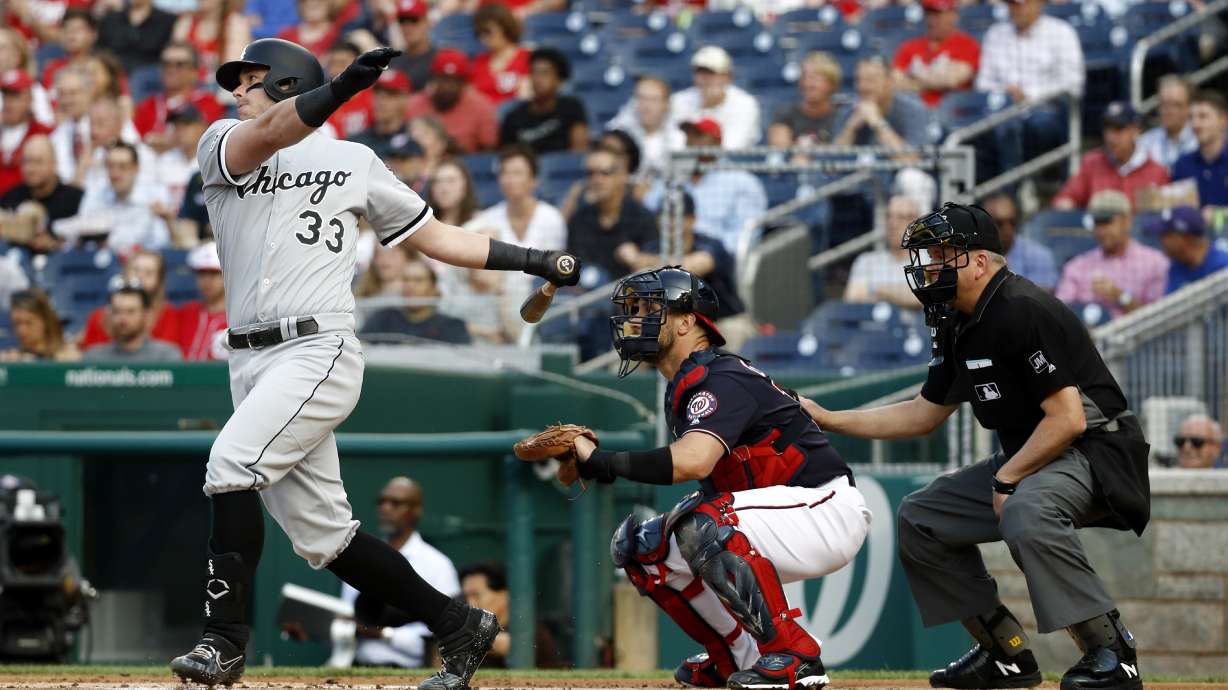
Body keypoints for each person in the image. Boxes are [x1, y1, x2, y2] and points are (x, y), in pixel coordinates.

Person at [168, 37, 579, 690]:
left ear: (284, 83)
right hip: (247, 359)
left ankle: (224, 642)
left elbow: (436, 237)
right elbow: (271, 132)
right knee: (323, 538)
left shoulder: (354, 160)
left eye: (249, 81)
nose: (235, 94)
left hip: (316, 347)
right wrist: (337, 91)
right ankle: (459, 625)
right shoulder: (222, 143)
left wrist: (529, 259)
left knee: (231, 465)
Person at [803, 202, 1150, 690]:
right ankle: (1005, 655)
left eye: (943, 255)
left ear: (980, 261)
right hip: (1035, 453)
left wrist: (1007, 478)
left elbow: (1068, 419)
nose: (930, 267)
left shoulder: (1022, 309)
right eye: (928, 256)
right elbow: (924, 414)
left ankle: (1112, 652)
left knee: (1024, 509)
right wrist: (829, 417)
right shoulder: (955, 318)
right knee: (922, 518)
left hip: (1097, 449)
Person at [557, 266, 870, 690]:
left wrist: (602, 462)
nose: (635, 320)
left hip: (823, 507)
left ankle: (797, 655)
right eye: (634, 310)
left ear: (687, 321)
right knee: (641, 549)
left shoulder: (720, 375)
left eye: (651, 309)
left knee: (703, 523)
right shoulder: (686, 383)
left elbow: (693, 462)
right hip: (773, 516)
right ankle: (740, 658)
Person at [340, 477, 461, 668]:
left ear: (416, 510)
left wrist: (383, 633)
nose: (385, 508)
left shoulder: (438, 565)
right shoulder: (360, 557)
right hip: (355, 667)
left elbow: (442, 635)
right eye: (382, 501)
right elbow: (348, 619)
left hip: (410, 670)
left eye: (395, 503)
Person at [625, 192, 750, 349]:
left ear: (692, 219)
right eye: (664, 216)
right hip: (674, 323)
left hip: (722, 320)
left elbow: (692, 267)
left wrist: (650, 262)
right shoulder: (653, 248)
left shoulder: (711, 244)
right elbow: (638, 269)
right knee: (632, 335)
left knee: (733, 331)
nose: (670, 222)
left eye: (676, 216)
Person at [975, 0, 1083, 171]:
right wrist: (1004, 94)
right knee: (995, 128)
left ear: (1038, 3)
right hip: (1003, 112)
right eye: (1012, 4)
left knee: (1021, 128)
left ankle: (1015, 189)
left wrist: (1029, 96)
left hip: (1046, 111)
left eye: (1021, 4)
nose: (1015, 9)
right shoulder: (995, 34)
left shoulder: (1061, 31)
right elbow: (982, 84)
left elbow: (1073, 85)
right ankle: (1014, 189)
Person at [644, 119, 767, 256]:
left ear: (716, 143)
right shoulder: (675, 176)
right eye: (689, 137)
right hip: (671, 251)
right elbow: (649, 207)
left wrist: (710, 255)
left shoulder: (741, 180)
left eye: (698, 136)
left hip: (716, 258)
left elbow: (745, 236)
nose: (691, 143)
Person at [1055, 190, 1168, 319]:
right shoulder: (1077, 266)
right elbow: (1059, 315)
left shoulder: (1155, 262)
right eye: (1097, 223)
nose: (1101, 230)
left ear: (1127, 221)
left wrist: (1120, 296)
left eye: (1107, 222)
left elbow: (1158, 319)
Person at [1053, 102, 1169, 210]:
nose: (1111, 137)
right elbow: (1065, 198)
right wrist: (1066, 204)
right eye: (1107, 129)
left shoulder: (1157, 172)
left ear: (1135, 131)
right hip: (1097, 231)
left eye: (1118, 129)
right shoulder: (1092, 163)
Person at [566, 142, 656, 278]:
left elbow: (656, 276)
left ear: (623, 175)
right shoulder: (579, 220)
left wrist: (638, 260)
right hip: (586, 296)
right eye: (590, 173)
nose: (596, 180)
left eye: (605, 173)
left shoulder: (643, 219)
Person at [69, 142, 172, 252]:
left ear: (136, 168)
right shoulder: (94, 196)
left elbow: (161, 242)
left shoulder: (155, 196)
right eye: (110, 166)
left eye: (123, 167)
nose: (115, 174)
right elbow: (79, 236)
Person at [458, 561, 560, 669]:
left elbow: (510, 644)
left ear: (505, 594)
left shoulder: (534, 632)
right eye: (466, 596)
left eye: (476, 595)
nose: (470, 603)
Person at [80, 248, 182, 350]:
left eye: (148, 273)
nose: (140, 276)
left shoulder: (167, 313)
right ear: (125, 272)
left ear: (159, 281)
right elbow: (91, 358)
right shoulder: (98, 317)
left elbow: (168, 357)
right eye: (135, 270)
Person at [0, 135, 83, 252]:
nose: (31, 169)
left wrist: (55, 245)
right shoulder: (11, 197)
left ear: (54, 164)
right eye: (26, 162)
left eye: (38, 162)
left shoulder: (75, 200)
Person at [361, 257, 472, 344]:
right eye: (406, 280)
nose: (410, 286)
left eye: (418, 280)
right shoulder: (383, 319)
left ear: (433, 288)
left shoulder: (452, 327)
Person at [406, 50, 498, 154]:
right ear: (434, 79)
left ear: (463, 83)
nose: (447, 86)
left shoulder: (481, 106)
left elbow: (489, 150)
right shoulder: (414, 105)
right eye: (443, 79)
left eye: (454, 81)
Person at [892, 0, 980, 108]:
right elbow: (895, 82)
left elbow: (951, 80)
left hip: (954, 110)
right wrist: (935, 79)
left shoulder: (967, 45)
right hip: (915, 110)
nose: (932, 20)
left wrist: (914, 74)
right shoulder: (909, 46)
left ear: (954, 15)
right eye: (928, 14)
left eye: (938, 14)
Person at [499, 48, 588, 154]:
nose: (538, 79)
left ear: (559, 80)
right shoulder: (513, 117)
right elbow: (508, 157)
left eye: (545, 73)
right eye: (534, 72)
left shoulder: (572, 108)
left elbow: (579, 152)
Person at [671, 46, 761, 150]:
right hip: (687, 164)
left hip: (733, 165)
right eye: (700, 72)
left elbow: (732, 147)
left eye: (712, 73)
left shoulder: (745, 104)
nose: (705, 79)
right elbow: (675, 145)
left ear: (728, 77)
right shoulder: (678, 101)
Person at [132, 42, 226, 141]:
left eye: (180, 65)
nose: (171, 69)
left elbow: (206, 141)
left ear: (194, 72)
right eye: (166, 63)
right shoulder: (148, 105)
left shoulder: (208, 103)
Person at [834, 56, 931, 150]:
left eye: (870, 80)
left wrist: (878, 123)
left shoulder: (912, 110)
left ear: (890, 81)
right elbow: (832, 159)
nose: (862, 86)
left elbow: (912, 161)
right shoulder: (848, 110)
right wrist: (851, 128)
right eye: (859, 80)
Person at [844, 194, 922, 308]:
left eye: (901, 217)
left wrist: (876, 289)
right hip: (874, 325)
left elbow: (927, 297)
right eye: (889, 216)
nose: (893, 223)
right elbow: (852, 298)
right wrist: (905, 295)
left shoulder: (931, 260)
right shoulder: (866, 261)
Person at [607, 75, 684, 189]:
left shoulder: (679, 138)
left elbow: (678, 180)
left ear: (666, 104)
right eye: (641, 98)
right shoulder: (617, 133)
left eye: (653, 100)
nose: (646, 106)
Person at [82, 282, 184, 361]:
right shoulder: (94, 357)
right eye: (117, 311)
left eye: (131, 311)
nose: (123, 318)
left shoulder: (166, 355)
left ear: (146, 315)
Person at [767, 52, 846, 149]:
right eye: (805, 77)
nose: (808, 83)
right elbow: (779, 147)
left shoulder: (842, 117)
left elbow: (843, 150)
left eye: (816, 78)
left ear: (832, 83)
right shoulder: (785, 114)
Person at [981, 192, 1057, 290]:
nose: (1007, 230)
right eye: (999, 223)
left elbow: (1042, 301)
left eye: (1012, 222)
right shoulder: (970, 256)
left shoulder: (1039, 256)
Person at [1146, 205, 1228, 294]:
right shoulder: (1176, 268)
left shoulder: (1222, 266)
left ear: (1186, 237)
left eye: (1166, 235)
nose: (1161, 241)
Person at [1170, 90, 1228, 212]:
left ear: (1223, 119)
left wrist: (1219, 213)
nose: (1195, 124)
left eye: (1203, 116)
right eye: (1191, 118)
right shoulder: (1182, 165)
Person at [0, 70, 53, 197]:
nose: (8, 102)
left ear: (29, 99)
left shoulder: (44, 133)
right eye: (5, 95)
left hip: (26, 203)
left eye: (15, 96)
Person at [177, 241, 229, 361]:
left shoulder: (237, 317)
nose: (207, 280)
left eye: (214, 273)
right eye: (202, 274)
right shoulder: (187, 311)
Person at [171, 0, 250, 76]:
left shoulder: (235, 23)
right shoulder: (186, 22)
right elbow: (175, 62)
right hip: (188, 83)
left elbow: (233, 68)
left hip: (219, 84)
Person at [470, 3, 529, 105]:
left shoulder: (526, 57)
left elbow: (526, 97)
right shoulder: (478, 62)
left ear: (504, 27)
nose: (483, 38)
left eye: (487, 31)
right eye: (479, 33)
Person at [96, 0, 176, 74]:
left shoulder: (167, 20)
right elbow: (100, 49)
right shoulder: (111, 19)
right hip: (114, 72)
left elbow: (169, 52)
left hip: (150, 74)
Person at [0, 289, 80, 362]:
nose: (21, 330)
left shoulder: (66, 355)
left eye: (29, 322)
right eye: (16, 323)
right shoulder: (11, 358)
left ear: (45, 320)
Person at [1136, 75, 1197, 168]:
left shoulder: (1201, 140)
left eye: (1176, 105)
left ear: (1190, 107)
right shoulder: (1144, 143)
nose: (1168, 111)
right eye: (1164, 104)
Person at [353, 69, 415, 160]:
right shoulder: (357, 142)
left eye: (390, 95)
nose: (381, 102)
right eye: (378, 94)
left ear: (405, 99)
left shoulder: (413, 138)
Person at [38, 9, 98, 90]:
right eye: (66, 29)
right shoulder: (51, 69)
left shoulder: (102, 70)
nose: (71, 33)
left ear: (93, 34)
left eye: (78, 29)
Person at [388, 0, 436, 93]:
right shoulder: (392, 60)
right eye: (402, 21)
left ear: (427, 22)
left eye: (414, 20)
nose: (407, 26)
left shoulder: (438, 60)